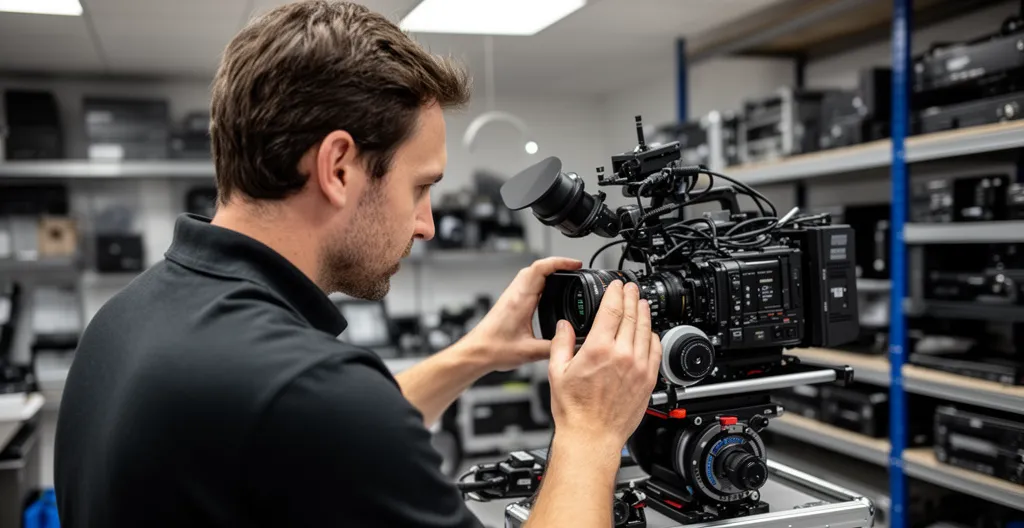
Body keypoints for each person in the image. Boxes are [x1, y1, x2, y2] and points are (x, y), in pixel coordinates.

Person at [53, 2, 662, 527]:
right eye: (420, 187)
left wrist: (477, 353)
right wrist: (590, 431)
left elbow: (315, 433)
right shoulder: (309, 391)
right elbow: (332, 414)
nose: (425, 224)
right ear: (338, 168)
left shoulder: (123, 321)